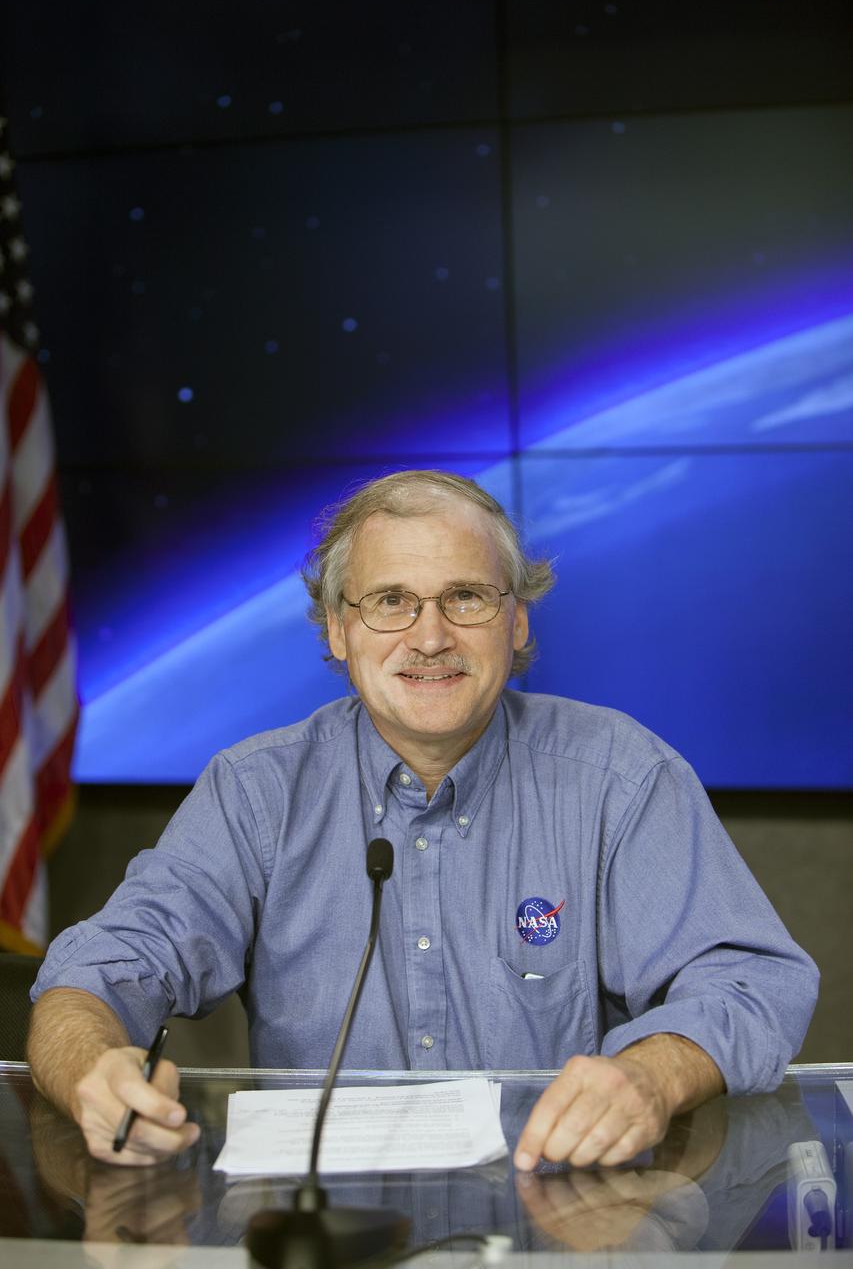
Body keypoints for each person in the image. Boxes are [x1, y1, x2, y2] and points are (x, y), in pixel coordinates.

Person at [28, 470, 818, 1168]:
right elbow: (100, 969)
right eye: (390, 602)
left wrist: (653, 1072)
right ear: (337, 630)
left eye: (465, 597)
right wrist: (92, 1064)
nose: (430, 636)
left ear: (516, 622)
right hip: (326, 1232)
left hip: (559, 1221)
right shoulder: (255, 790)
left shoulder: (620, 776)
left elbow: (752, 981)